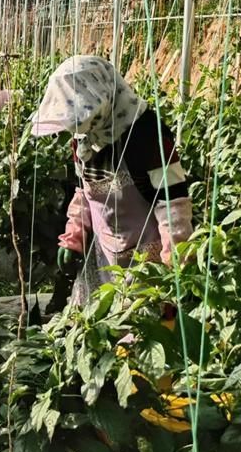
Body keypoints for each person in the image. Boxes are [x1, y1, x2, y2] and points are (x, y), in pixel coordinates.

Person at [30, 55, 194, 307]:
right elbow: (84, 192)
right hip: (104, 257)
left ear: (101, 96)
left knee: (143, 321)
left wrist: (176, 262)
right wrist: (74, 236)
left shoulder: (146, 133)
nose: (78, 127)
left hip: (148, 262)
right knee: (97, 320)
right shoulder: (84, 139)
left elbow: (173, 202)